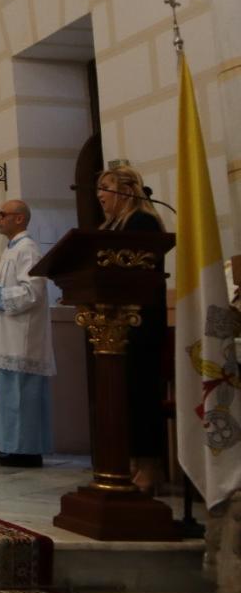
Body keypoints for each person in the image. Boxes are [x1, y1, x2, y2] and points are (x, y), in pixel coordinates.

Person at [98, 164, 170, 494]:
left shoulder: (143, 221)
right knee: (122, 394)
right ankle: (126, 461)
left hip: (141, 320)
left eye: (105, 187)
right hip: (116, 323)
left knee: (142, 393)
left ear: (126, 190)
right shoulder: (110, 226)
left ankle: (150, 466)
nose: (99, 194)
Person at [0, 199, 53, 467]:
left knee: (23, 398)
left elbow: (32, 291)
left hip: (22, 339)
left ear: (19, 219)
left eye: (2, 215)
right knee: (10, 398)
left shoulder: (27, 250)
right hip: (7, 335)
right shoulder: (11, 250)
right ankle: (14, 448)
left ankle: (28, 451)